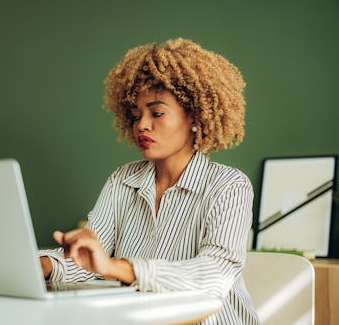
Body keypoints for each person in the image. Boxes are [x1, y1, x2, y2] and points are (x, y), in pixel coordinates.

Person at [39, 38, 260, 324]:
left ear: (194, 115)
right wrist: (40, 265)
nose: (142, 124)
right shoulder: (123, 180)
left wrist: (123, 269)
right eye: (135, 115)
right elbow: (90, 264)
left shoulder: (229, 186)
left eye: (157, 113)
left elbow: (212, 276)